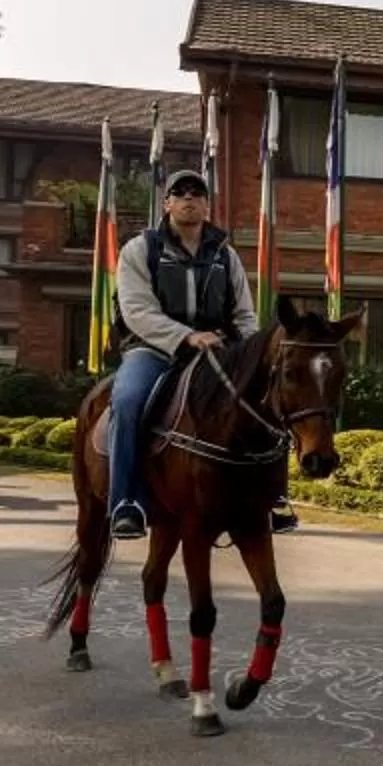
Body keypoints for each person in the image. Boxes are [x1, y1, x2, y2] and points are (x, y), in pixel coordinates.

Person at [107, 165, 255, 542]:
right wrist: (187, 336)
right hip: (152, 349)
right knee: (127, 402)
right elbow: (137, 311)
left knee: (262, 400)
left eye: (197, 193)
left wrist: (250, 354)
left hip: (217, 351)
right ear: (167, 203)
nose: (189, 198)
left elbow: (244, 314)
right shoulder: (140, 250)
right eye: (181, 193)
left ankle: (267, 501)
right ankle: (126, 502)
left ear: (207, 205)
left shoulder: (226, 254)